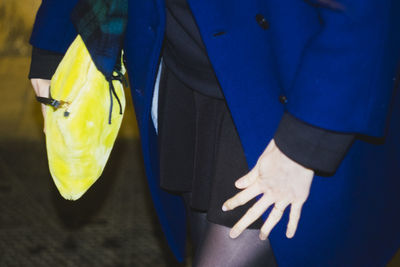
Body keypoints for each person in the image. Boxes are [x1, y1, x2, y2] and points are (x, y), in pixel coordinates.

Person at [29, 0, 400, 266]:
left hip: (289, 91)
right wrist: (52, 41)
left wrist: (305, 143)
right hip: (186, 77)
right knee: (204, 241)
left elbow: (364, 10)